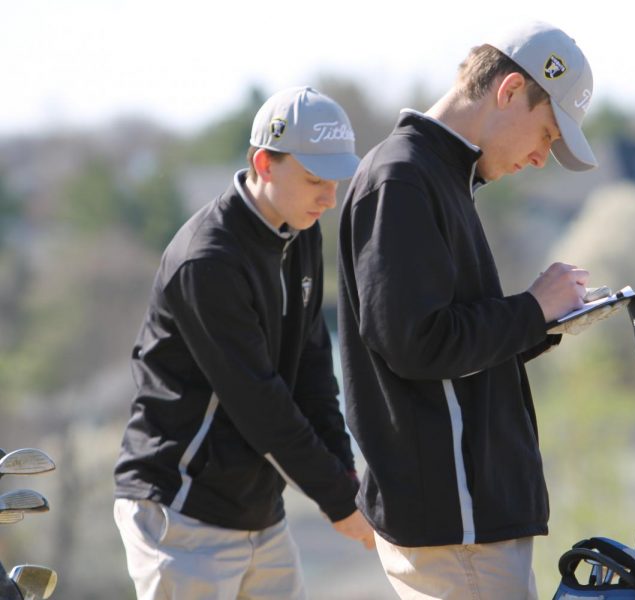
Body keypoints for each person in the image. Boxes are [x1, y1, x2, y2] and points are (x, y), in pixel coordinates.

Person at [337, 21, 597, 600]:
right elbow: (415, 342)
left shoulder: (434, 174)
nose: (541, 158)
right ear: (507, 92)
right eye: (548, 134)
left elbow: (445, 341)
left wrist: (540, 321)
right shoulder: (404, 177)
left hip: (464, 525)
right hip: (457, 530)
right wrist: (530, 308)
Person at [113, 86, 374, 600]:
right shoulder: (207, 261)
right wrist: (341, 502)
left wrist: (346, 474)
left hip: (259, 513)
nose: (329, 197)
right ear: (265, 163)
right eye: (316, 179)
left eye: (335, 181)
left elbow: (312, 367)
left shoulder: (298, 232)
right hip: (182, 514)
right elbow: (260, 404)